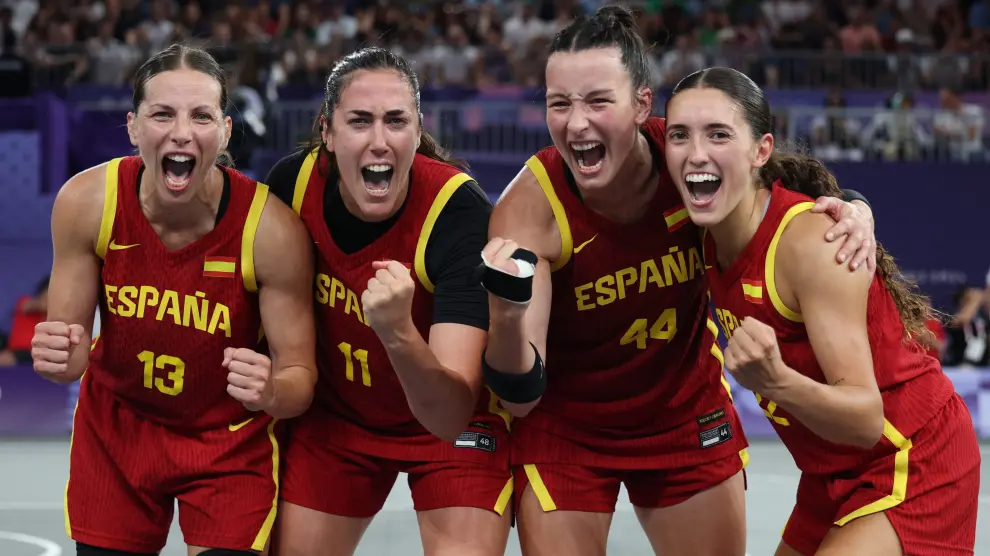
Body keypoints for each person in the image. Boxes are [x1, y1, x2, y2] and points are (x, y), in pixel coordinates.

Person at [477, 6, 878, 556]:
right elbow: (520, 397)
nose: (576, 123)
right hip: (567, 431)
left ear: (642, 104)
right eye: (559, 103)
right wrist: (505, 311)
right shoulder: (530, 209)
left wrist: (857, 208)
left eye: (598, 100)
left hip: (684, 417)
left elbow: (787, 192)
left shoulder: (690, 157)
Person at [664, 66, 981, 556]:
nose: (696, 153)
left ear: (760, 151)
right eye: (680, 135)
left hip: (911, 456)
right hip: (830, 470)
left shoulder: (810, 245)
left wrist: (773, 381)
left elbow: (865, 419)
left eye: (719, 134)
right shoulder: (701, 223)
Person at [30, 44, 318, 556]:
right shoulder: (86, 202)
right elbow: (69, 357)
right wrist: (57, 358)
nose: (181, 132)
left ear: (225, 132)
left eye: (201, 115)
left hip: (226, 440)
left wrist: (271, 389)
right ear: (134, 127)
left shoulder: (269, 230)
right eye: (162, 113)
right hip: (117, 432)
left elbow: (300, 380)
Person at [265, 47, 512, 556]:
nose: (379, 141)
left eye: (396, 121)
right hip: (339, 420)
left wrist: (397, 332)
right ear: (327, 132)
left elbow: (449, 416)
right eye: (359, 121)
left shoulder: (458, 213)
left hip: (452, 427)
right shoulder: (290, 188)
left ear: (417, 131)